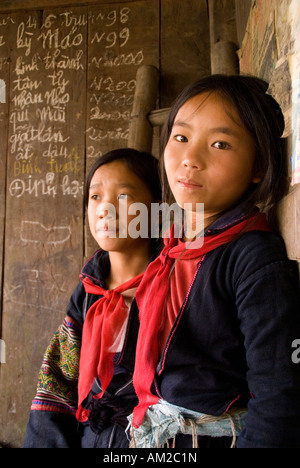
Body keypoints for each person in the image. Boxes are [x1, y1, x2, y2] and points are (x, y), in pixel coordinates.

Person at [128, 75, 300, 448]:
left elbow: (279, 393)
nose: (191, 158)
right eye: (181, 137)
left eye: (220, 144)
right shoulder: (173, 246)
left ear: (258, 166)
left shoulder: (253, 259)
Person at [23, 148, 162, 448]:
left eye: (123, 196)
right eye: (95, 197)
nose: (104, 209)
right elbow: (59, 381)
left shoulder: (176, 285)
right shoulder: (87, 294)